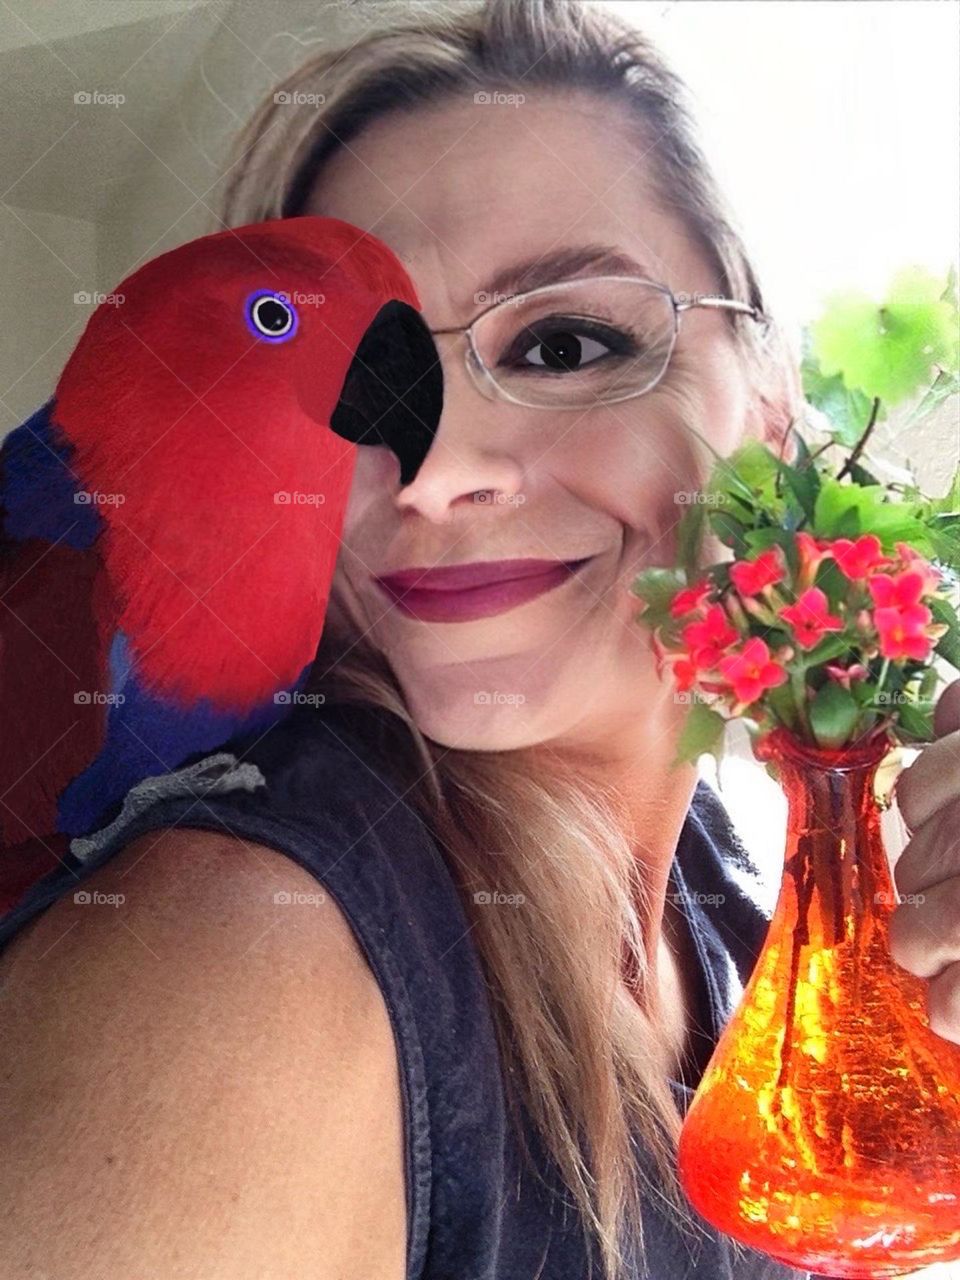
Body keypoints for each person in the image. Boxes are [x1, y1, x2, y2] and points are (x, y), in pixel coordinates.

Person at [0, 2, 812, 1276]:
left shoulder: (744, 905)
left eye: (561, 343)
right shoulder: (243, 954)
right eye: (367, 394)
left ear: (770, 413)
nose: (431, 478)